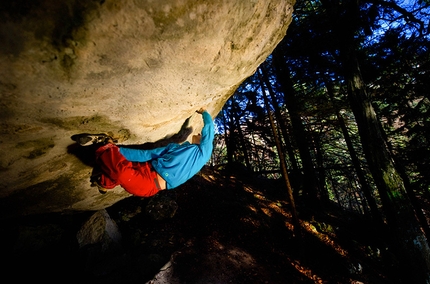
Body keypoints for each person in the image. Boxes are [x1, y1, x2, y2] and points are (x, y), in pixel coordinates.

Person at [71, 108, 214, 197]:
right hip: (146, 167)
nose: (200, 134)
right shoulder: (174, 148)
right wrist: (118, 150)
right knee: (121, 165)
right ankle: (104, 181)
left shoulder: (202, 154)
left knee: (122, 174)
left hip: (149, 185)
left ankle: (101, 146)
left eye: (202, 136)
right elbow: (146, 155)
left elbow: (209, 130)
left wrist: (205, 112)